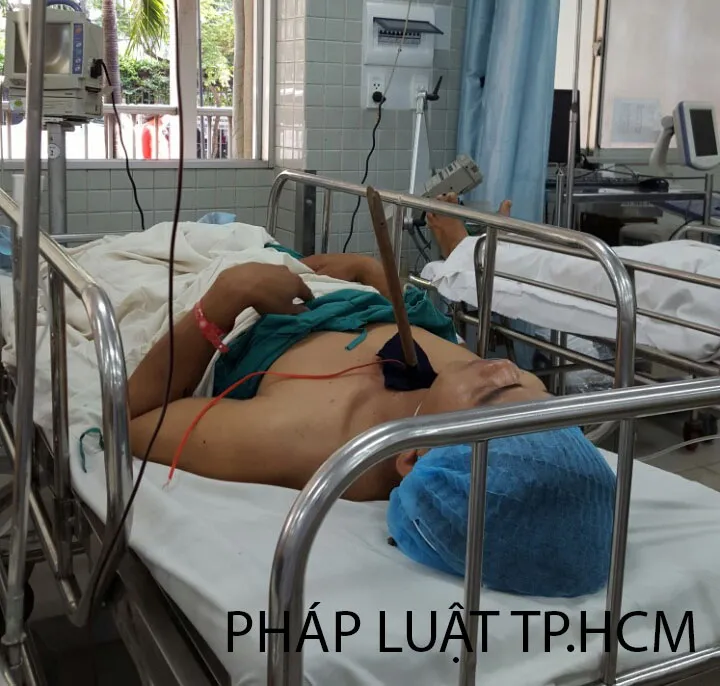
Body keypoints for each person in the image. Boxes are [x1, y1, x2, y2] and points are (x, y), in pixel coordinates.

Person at [128, 252, 548, 503]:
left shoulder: (302, 436)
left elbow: (133, 420)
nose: (500, 367)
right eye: (523, 383)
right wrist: (370, 272)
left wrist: (227, 296)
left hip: (246, 298)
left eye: (493, 392)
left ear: (412, 457)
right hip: (316, 279)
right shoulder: (470, 390)